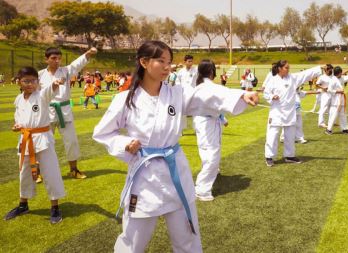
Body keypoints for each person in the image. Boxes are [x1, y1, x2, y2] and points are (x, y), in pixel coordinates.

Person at [93, 41, 258, 253]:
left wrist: (240, 95)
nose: (166, 67)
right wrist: (124, 144)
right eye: (160, 61)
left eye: (169, 62)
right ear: (143, 62)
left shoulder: (177, 94)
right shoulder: (125, 99)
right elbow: (103, 132)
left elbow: (204, 94)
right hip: (144, 175)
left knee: (187, 237)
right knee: (132, 241)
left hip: (175, 173)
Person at [4, 67, 65, 224]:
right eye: (26, 81)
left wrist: (56, 83)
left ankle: (55, 207)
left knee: (50, 172)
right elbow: (19, 119)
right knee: (24, 173)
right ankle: (23, 204)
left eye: (33, 80)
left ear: (38, 82)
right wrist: (17, 126)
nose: (30, 84)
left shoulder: (42, 95)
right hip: (25, 139)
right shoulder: (18, 99)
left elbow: (50, 90)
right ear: (19, 81)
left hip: (43, 138)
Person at [38, 47, 97, 179]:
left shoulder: (65, 71)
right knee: (44, 142)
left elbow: (77, 64)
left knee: (71, 142)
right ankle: (40, 171)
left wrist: (88, 53)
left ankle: (74, 169)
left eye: (59, 58)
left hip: (64, 111)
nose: (57, 61)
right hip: (47, 112)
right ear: (46, 59)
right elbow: (36, 95)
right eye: (53, 58)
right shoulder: (40, 75)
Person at [263, 60, 322, 166]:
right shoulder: (272, 80)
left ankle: (289, 156)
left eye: (288, 67)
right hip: (276, 112)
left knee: (290, 135)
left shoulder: (292, 78)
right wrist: (272, 96)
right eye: (286, 67)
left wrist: (319, 68)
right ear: (280, 69)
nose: (288, 69)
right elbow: (266, 93)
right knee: (273, 135)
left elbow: (305, 74)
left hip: (290, 112)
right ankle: (269, 156)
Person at [192, 60, 232, 201]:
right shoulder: (208, 87)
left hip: (204, 122)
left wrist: (222, 118)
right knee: (213, 153)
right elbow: (220, 103)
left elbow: (214, 107)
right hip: (207, 123)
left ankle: (210, 172)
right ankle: (202, 189)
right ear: (211, 72)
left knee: (206, 151)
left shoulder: (200, 86)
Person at [324, 66, 348, 135]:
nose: (342, 74)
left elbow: (347, 78)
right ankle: (328, 129)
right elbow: (329, 90)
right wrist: (338, 91)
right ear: (339, 73)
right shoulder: (333, 80)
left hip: (341, 99)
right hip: (335, 101)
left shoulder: (340, 78)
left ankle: (345, 129)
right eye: (341, 72)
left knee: (343, 115)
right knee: (333, 115)